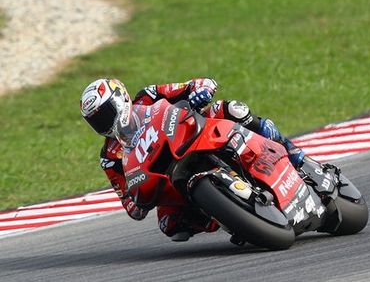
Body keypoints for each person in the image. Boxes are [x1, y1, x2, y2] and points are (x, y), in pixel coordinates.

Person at [79, 77, 305, 242]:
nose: (103, 123)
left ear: (120, 99)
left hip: (192, 133)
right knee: (170, 225)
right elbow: (130, 205)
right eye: (96, 121)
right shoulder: (109, 157)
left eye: (106, 113)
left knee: (231, 109)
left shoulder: (148, 96)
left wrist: (201, 90)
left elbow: (195, 85)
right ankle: (229, 218)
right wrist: (137, 200)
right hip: (168, 176)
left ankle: (290, 151)